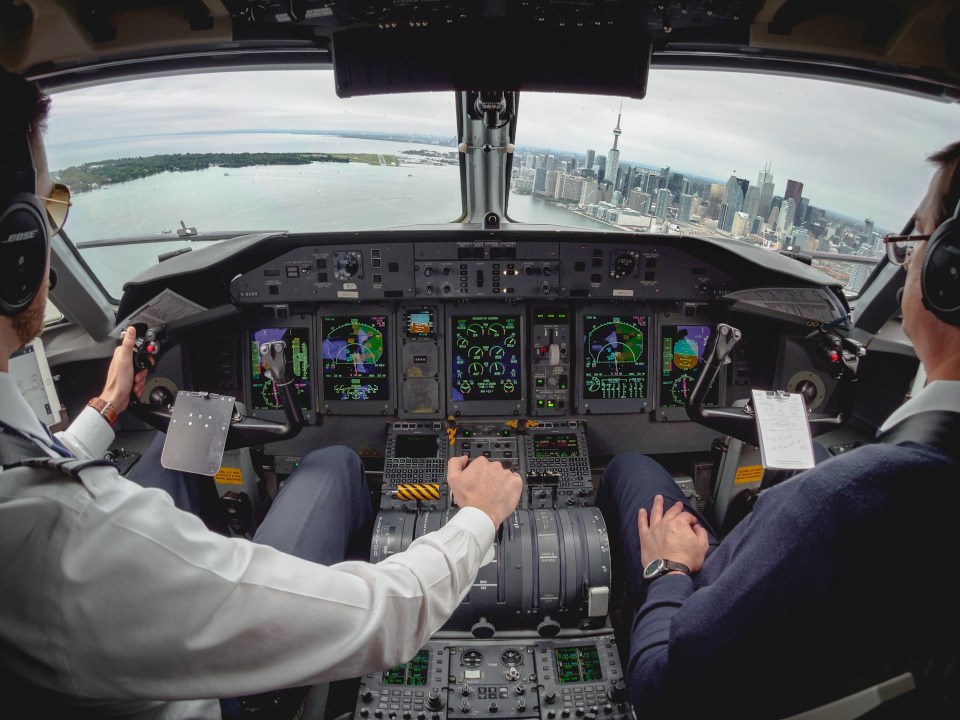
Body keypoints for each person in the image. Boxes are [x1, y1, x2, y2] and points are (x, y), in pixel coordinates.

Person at [0, 69, 523, 719]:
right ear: (14, 249)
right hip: (217, 701)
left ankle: (224, 537)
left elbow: (30, 467)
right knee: (331, 464)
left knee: (173, 440)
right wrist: (480, 514)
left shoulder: (24, 495)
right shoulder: (65, 540)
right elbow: (386, 615)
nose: (53, 235)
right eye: (49, 211)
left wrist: (106, 411)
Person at [597, 142, 960, 719]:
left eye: (914, 242)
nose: (906, 260)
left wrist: (668, 567)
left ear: (949, 269)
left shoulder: (841, 503)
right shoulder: (863, 493)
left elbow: (662, 692)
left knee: (630, 468)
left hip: (702, 600)